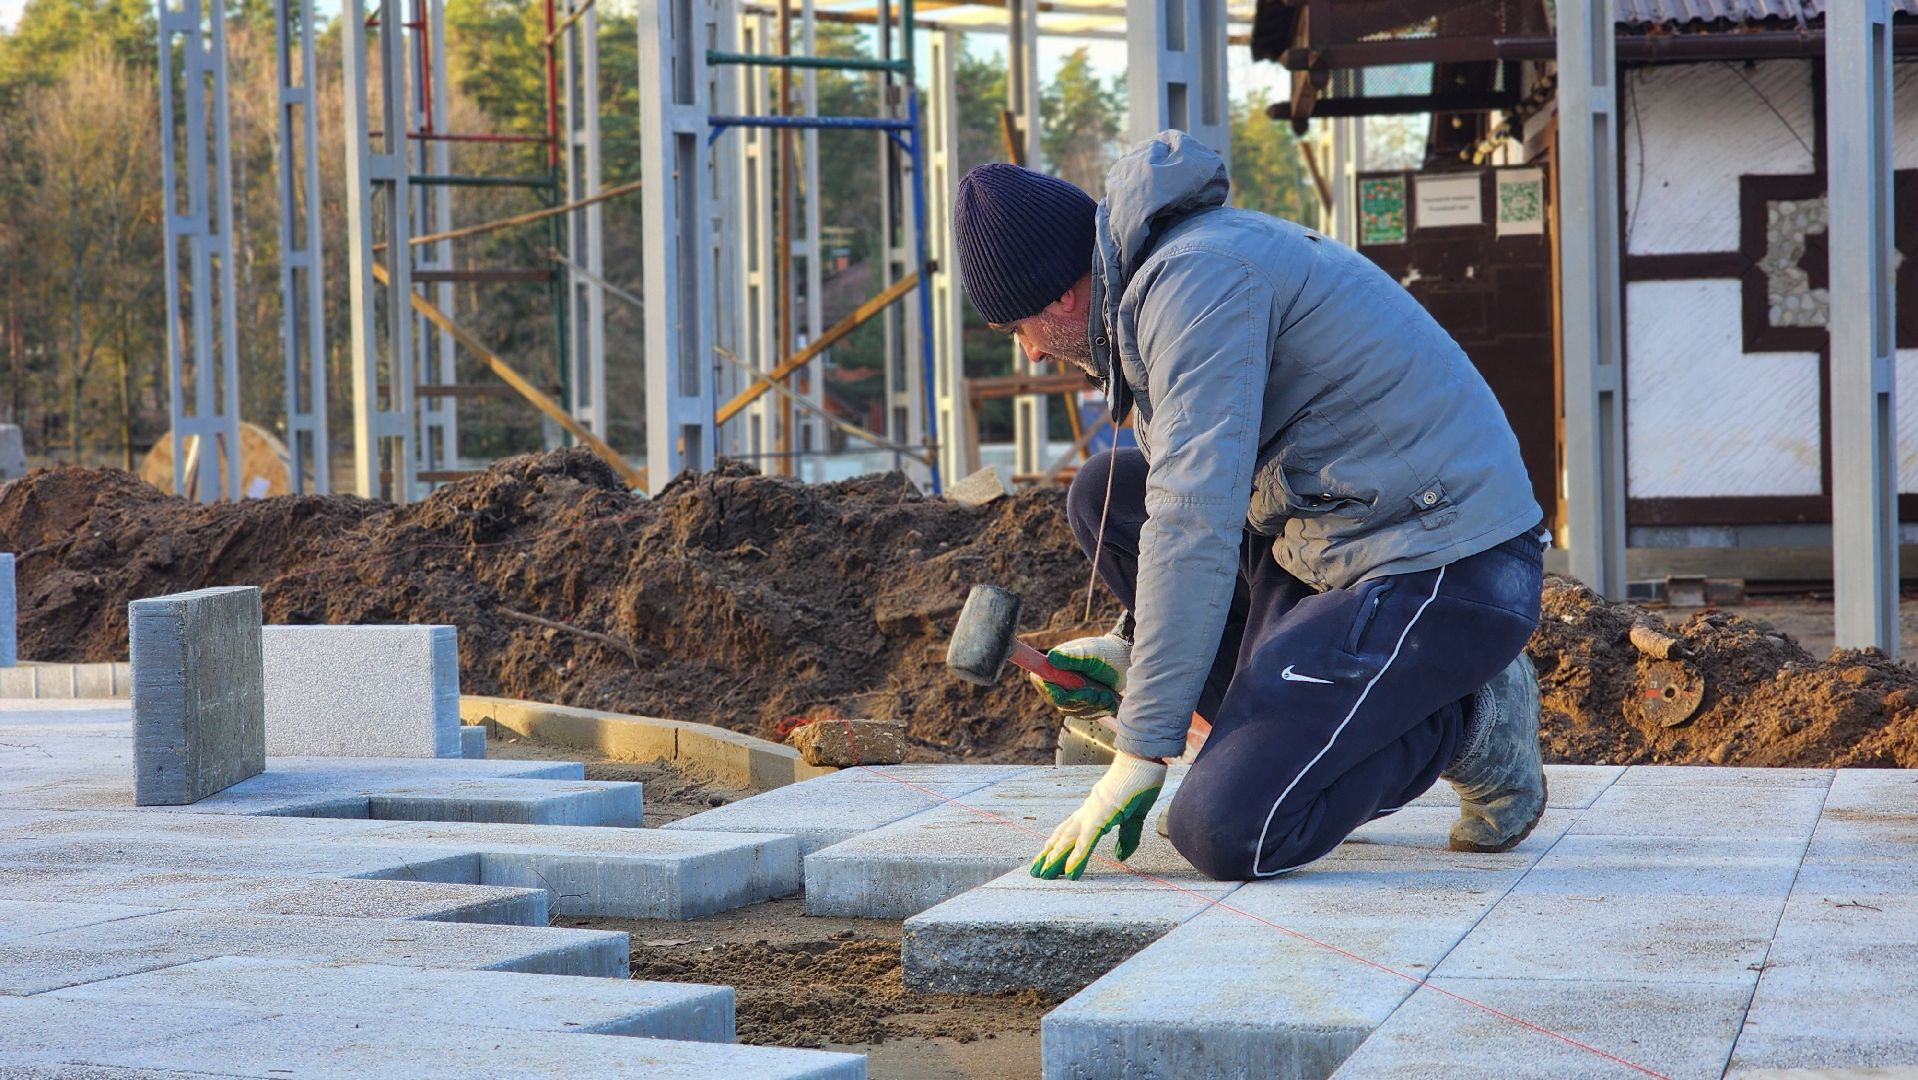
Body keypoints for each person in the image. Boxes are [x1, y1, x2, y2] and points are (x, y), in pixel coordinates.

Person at [950, 131, 1549, 882]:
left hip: (1446, 563)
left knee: (1224, 830)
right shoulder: (1162, 284)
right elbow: (1194, 490)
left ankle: (1474, 720)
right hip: (1342, 531)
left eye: (1020, 331)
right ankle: (1319, 724)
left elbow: (1195, 517)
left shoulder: (1195, 284)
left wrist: (1140, 750)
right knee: (1105, 493)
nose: (1030, 355)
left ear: (1061, 295)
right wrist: (1133, 653)